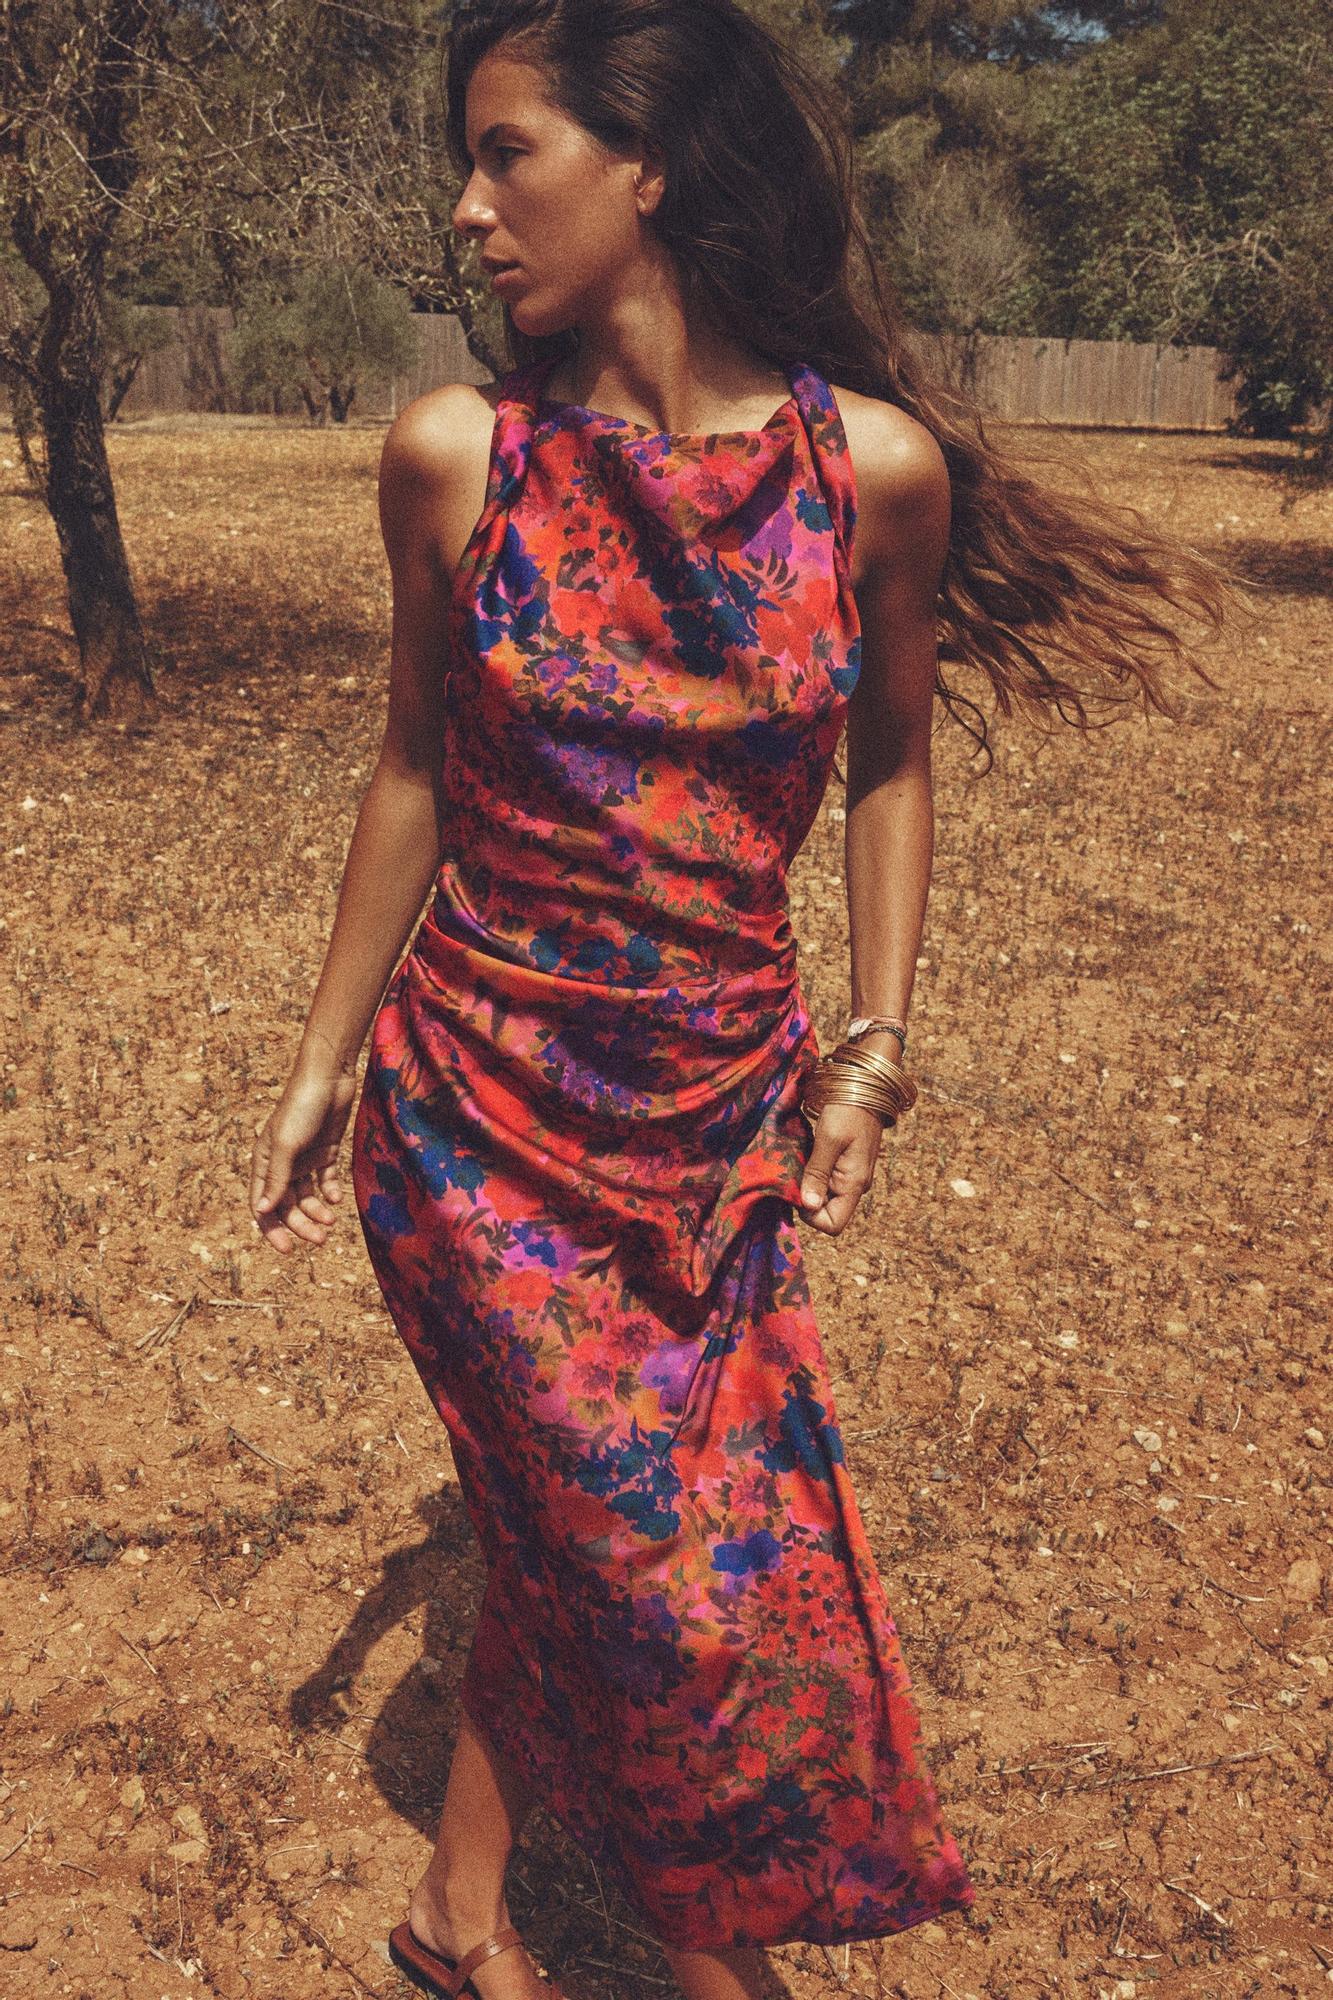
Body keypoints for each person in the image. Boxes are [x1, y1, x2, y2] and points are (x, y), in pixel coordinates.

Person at [247, 4, 1235, 1997]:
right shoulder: (456, 458)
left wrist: (873, 1044)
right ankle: (720, 1960)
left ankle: (455, 1913)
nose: (465, 206)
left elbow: (890, 766)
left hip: (713, 1126)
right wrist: (325, 1053)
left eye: (505, 152)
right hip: (474, 1117)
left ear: (650, 168)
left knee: (570, 1521)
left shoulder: (868, 477)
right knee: (653, 1553)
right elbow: (411, 771)